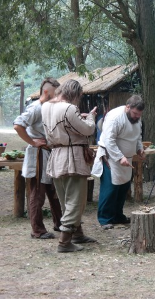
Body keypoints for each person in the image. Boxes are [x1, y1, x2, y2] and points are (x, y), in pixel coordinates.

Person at [41, 79, 97, 253]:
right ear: (75, 93)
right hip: (72, 156)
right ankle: (64, 242)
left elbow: (67, 127)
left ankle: (77, 233)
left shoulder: (46, 107)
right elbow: (87, 130)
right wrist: (92, 118)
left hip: (56, 155)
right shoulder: (69, 108)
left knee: (66, 199)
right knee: (76, 200)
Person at [13, 77, 62, 239]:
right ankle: (37, 230)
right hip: (39, 155)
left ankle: (60, 223)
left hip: (49, 154)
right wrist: (32, 142)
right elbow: (18, 125)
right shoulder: (35, 108)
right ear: (46, 92)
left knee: (54, 191)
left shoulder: (47, 107)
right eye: (55, 95)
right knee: (37, 193)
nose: (57, 98)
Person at [91, 95, 146, 229]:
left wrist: (140, 149)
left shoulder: (137, 119)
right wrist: (119, 157)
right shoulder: (114, 117)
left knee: (122, 188)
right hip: (111, 157)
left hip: (127, 158)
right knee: (110, 188)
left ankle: (117, 216)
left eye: (139, 115)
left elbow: (137, 136)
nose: (136, 117)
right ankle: (105, 218)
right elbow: (109, 140)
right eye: (134, 113)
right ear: (127, 107)